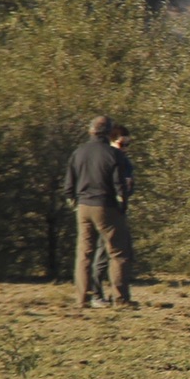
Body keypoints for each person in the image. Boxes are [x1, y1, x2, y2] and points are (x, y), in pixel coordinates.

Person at [63, 115, 133, 309]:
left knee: (84, 253)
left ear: (90, 131)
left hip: (83, 207)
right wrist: (122, 205)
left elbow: (69, 185)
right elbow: (119, 186)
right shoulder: (114, 155)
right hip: (106, 206)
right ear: (109, 132)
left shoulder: (78, 152)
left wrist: (75, 204)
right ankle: (121, 299)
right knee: (118, 253)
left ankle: (82, 299)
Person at [88, 123, 133, 299]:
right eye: (122, 144)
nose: (126, 149)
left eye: (128, 145)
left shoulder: (125, 162)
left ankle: (115, 294)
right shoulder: (108, 159)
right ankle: (96, 293)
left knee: (121, 254)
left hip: (118, 211)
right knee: (102, 254)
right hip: (105, 209)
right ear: (111, 142)